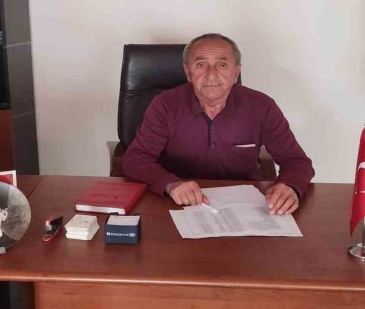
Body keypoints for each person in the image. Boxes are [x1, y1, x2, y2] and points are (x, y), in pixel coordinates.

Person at [123, 33, 314, 215]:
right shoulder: (165, 105)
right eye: (201, 65)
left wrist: (289, 185)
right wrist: (171, 184)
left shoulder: (262, 107)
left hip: (246, 206)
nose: (211, 76)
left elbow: (297, 162)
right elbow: (136, 159)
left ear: (236, 72)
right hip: (179, 203)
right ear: (188, 72)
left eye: (222, 65)